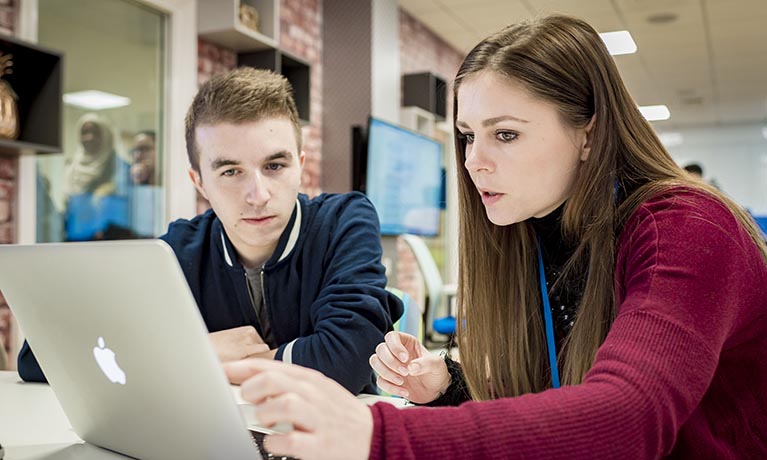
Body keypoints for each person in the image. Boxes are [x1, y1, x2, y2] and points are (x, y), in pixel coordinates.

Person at [223, 15, 767, 460]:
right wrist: (451, 385)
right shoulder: (536, 229)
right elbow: (560, 397)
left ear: (589, 133)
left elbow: (626, 419)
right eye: (467, 136)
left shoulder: (689, 228)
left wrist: (376, 436)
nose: (473, 162)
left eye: (505, 134)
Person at [18, 68, 403, 395]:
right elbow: (37, 357)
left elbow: (348, 359)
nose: (258, 195)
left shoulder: (343, 222)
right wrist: (196, 351)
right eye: (230, 171)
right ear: (199, 182)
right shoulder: (177, 252)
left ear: (299, 166)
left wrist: (197, 364)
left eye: (274, 166)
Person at [62, 113, 132, 241]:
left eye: (95, 133)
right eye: (84, 132)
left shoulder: (119, 168)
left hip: (111, 244)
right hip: (75, 243)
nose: (89, 137)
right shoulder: (72, 169)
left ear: (105, 136)